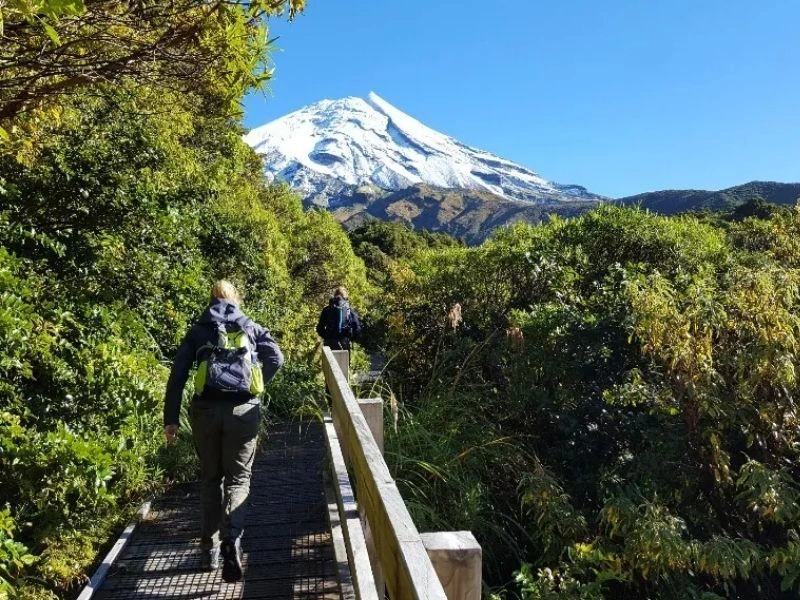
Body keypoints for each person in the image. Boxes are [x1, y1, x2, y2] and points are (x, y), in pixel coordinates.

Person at [163, 280, 284, 582]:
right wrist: (256, 383)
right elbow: (276, 358)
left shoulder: (199, 329)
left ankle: (209, 552)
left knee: (210, 479)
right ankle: (233, 539)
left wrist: (171, 418)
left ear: (212, 299)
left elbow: (177, 376)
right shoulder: (250, 327)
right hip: (244, 411)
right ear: (236, 299)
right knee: (239, 478)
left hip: (205, 411)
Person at [316, 286, 362, 350]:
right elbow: (357, 329)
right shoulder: (349, 310)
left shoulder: (326, 309)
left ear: (334, 296)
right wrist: (350, 338)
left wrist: (326, 336)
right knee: (343, 360)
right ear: (345, 297)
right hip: (344, 343)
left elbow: (319, 328)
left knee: (329, 359)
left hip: (329, 343)